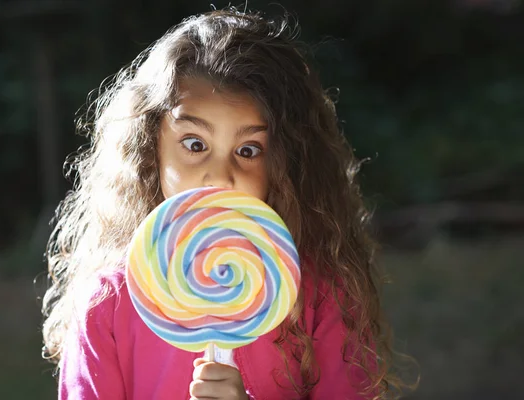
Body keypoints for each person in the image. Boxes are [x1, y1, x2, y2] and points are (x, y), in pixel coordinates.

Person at [41, 7, 415, 400]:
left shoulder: (322, 294)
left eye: (249, 149)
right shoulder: (107, 306)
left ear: (284, 164)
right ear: (150, 148)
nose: (220, 175)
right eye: (195, 144)